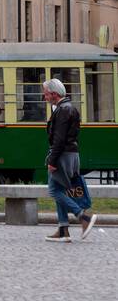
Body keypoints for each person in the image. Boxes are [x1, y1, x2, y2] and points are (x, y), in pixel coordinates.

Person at [43, 78, 95, 242]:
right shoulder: (68, 108)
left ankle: (82, 216)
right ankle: (63, 229)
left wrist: (52, 160)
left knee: (54, 191)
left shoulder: (63, 110)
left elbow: (59, 139)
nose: (44, 97)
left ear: (54, 94)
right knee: (61, 189)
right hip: (71, 154)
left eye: (46, 94)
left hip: (62, 155)